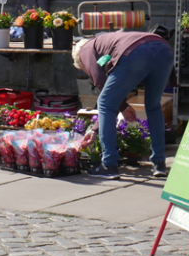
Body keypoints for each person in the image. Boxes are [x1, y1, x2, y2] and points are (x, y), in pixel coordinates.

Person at [72, 30, 174, 179]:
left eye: (85, 70)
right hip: (163, 49)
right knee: (153, 105)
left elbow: (101, 82)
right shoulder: (104, 42)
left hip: (136, 51)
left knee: (105, 103)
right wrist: (95, 130)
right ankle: (159, 163)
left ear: (80, 61)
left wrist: (123, 107)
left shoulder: (85, 50)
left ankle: (109, 165)